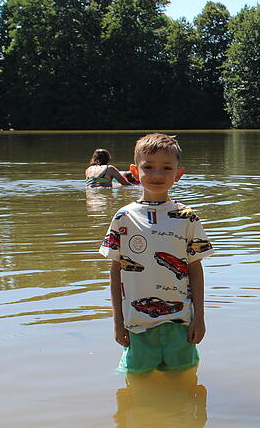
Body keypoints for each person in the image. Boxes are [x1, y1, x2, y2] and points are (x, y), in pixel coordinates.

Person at [99, 133, 214, 374]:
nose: (157, 174)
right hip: (137, 325)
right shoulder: (123, 218)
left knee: (184, 380)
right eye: (148, 167)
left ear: (178, 174)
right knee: (137, 380)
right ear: (134, 171)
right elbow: (115, 272)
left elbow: (195, 268)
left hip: (180, 324)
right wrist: (117, 322)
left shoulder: (187, 218)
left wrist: (200, 318)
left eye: (167, 168)